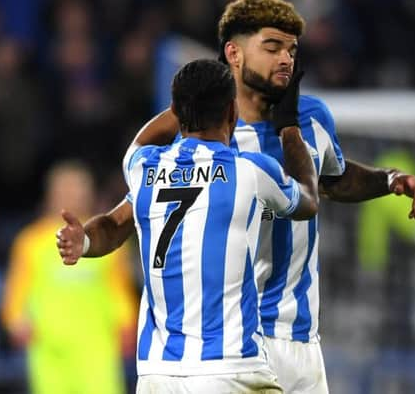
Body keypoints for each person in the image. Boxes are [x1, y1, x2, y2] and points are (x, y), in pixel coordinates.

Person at [58, 0, 415, 393]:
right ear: (233, 54)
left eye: (291, 49)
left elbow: (333, 179)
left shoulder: (313, 118)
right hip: (236, 343)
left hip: (299, 338)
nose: (286, 59)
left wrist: (388, 180)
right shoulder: (204, 143)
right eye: (272, 47)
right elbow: (123, 218)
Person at [58, 58, 319, 392]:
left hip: (159, 374)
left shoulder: (145, 170)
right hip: (230, 369)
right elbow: (308, 200)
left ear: (176, 112)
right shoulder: (250, 172)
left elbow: (113, 222)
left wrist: (84, 242)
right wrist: (289, 127)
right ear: (231, 112)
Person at [1, 160, 138, 394]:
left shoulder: (102, 237)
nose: (71, 195)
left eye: (77, 189)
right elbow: (17, 288)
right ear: (51, 193)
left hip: (98, 347)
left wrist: (128, 323)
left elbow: (120, 287)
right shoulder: (31, 241)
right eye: (64, 189)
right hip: (48, 347)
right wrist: (14, 320)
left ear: (89, 193)